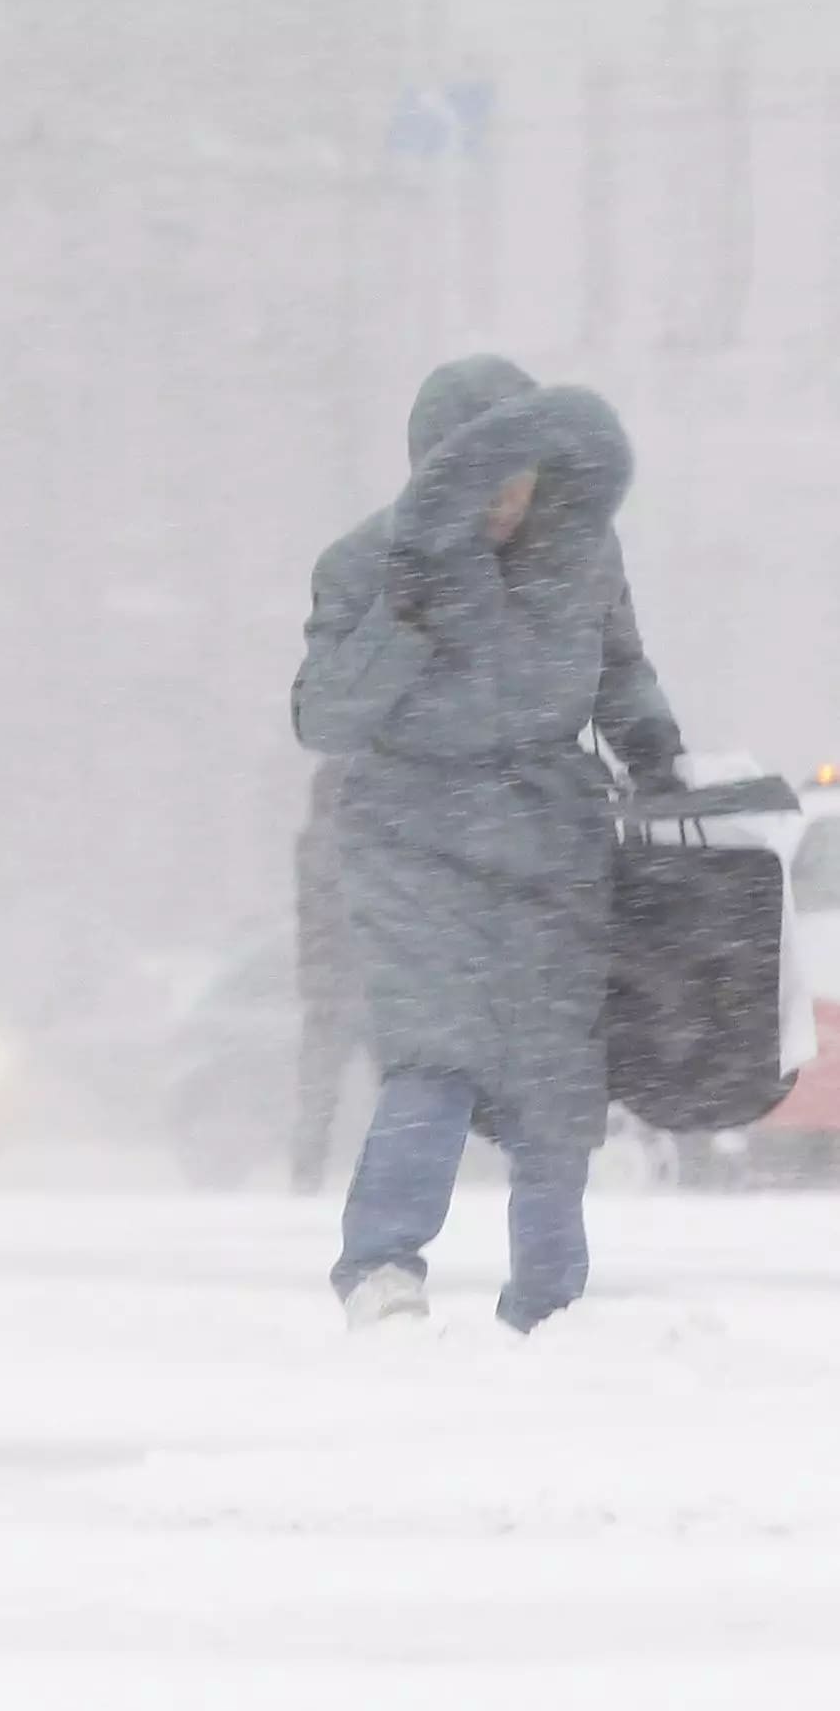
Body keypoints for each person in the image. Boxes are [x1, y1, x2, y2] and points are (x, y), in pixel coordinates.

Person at [294, 357, 684, 1332]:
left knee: (558, 1075)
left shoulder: (584, 556)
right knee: (436, 1051)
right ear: (437, 475)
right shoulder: (365, 565)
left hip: (550, 833)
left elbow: (620, 669)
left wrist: (657, 755)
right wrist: (407, 614)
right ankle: (380, 1268)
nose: (507, 502)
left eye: (521, 478)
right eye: (484, 481)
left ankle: (550, 1303)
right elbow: (326, 716)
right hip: (412, 834)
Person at [288, 758, 364, 1192]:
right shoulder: (355, 847)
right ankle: (385, 1185)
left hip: (328, 988)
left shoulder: (312, 846)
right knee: (398, 1094)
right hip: (368, 984)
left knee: (317, 1095)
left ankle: (306, 1176)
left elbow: (312, 922)